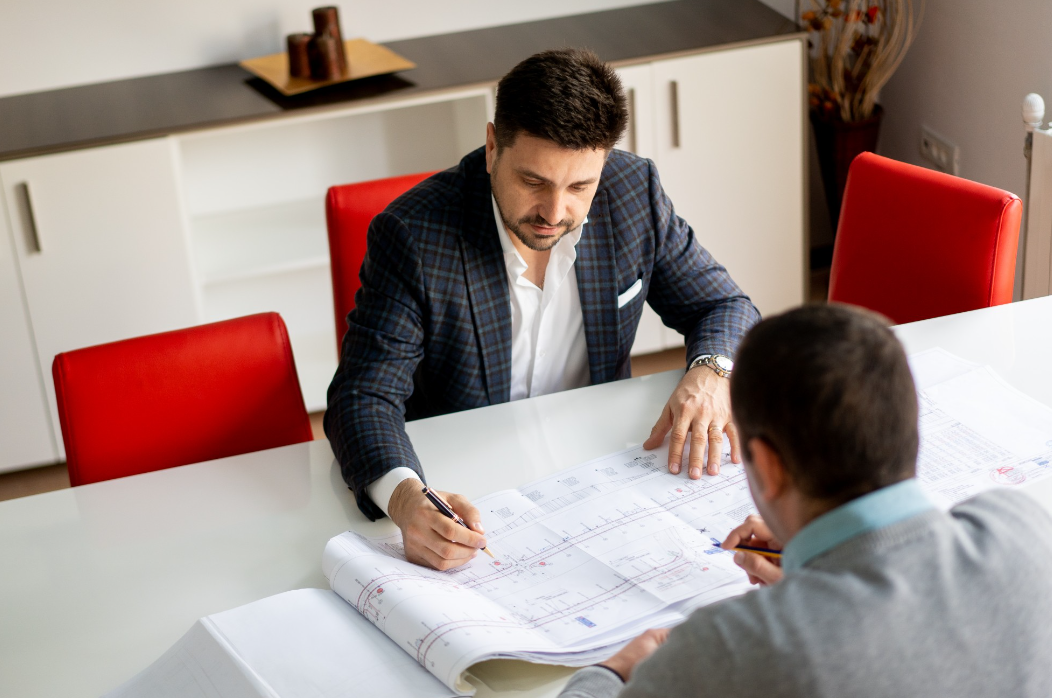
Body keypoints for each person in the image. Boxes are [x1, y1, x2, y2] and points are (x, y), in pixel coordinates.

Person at [325, 48, 760, 571]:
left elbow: (723, 304)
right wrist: (405, 500)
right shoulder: (414, 236)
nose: (555, 213)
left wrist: (713, 372)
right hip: (472, 487)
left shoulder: (633, 193)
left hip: (599, 469)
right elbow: (362, 396)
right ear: (491, 148)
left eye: (580, 186)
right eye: (533, 181)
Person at [559, 304, 1052, 698]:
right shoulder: (1025, 528)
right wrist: (819, 558)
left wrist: (614, 671)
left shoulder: (729, 650)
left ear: (768, 466)